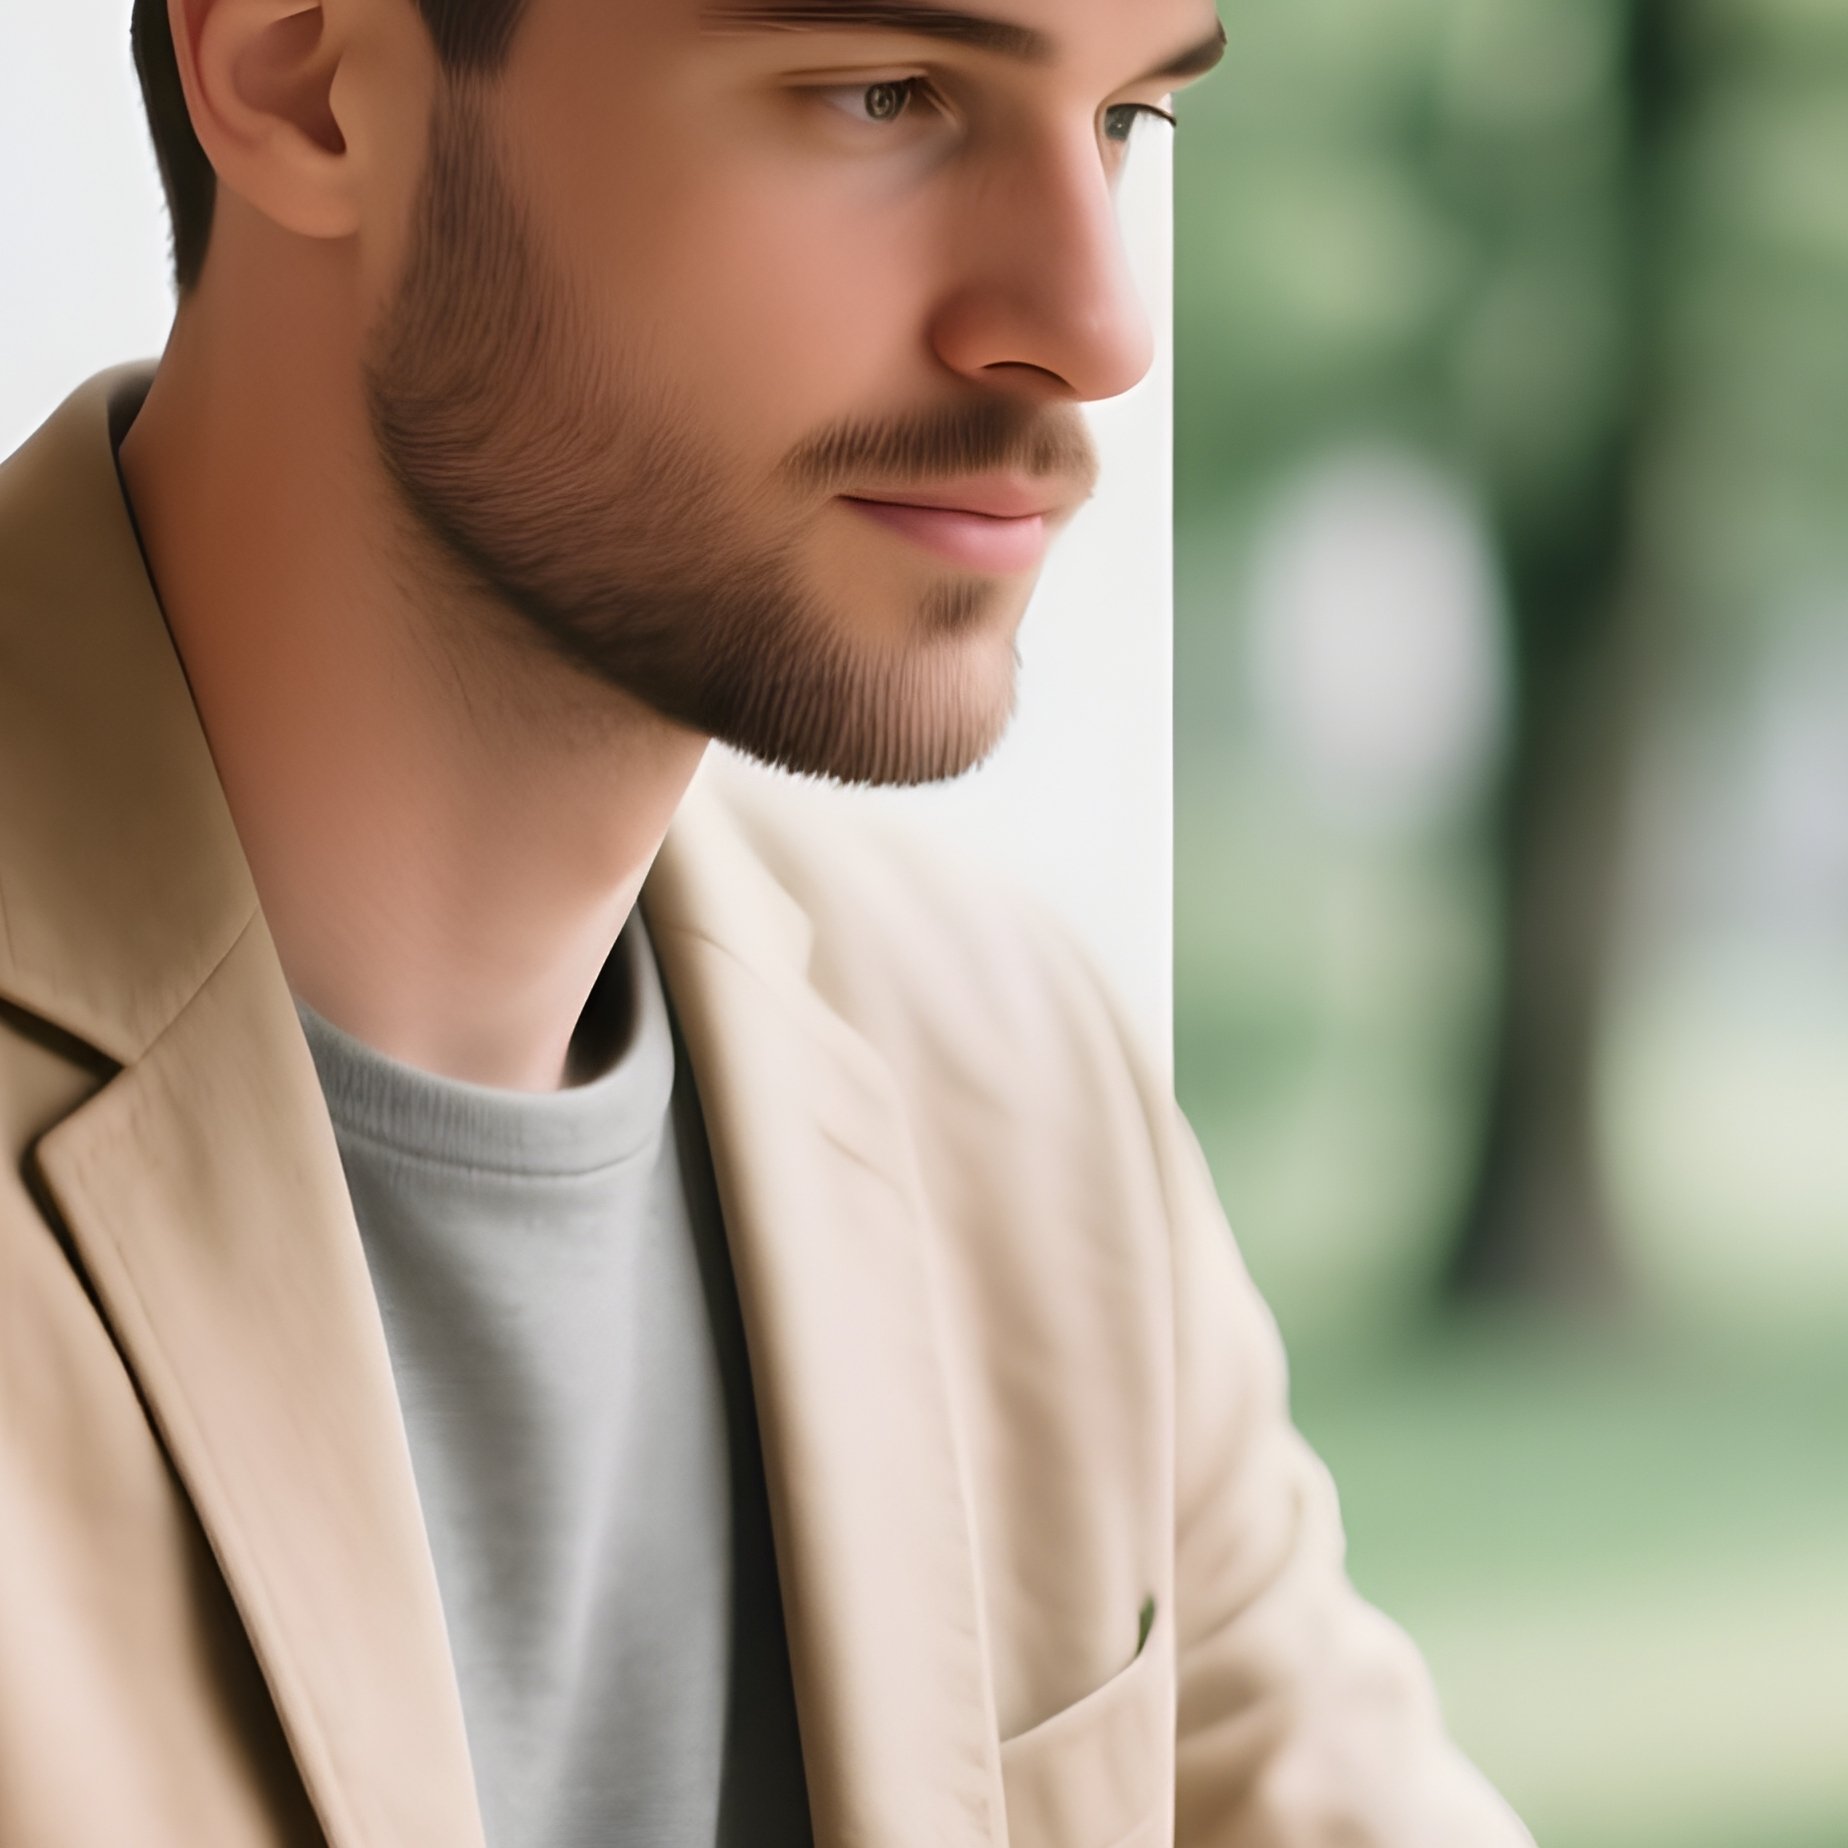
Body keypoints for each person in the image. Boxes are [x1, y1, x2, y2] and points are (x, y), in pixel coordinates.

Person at [0, 0, 1536, 1842]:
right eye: (885, 92)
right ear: (305, 70)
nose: (1101, 325)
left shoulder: (1019, 1092)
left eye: (1127, 120)